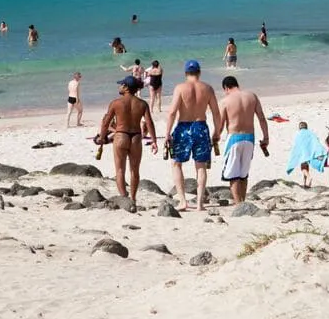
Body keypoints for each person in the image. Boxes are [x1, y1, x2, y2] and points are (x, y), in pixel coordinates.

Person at [164, 59, 222, 212]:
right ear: (199, 72)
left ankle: (183, 201)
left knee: (177, 163)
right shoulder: (207, 89)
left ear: (185, 73)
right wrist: (217, 131)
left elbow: (172, 112)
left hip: (183, 127)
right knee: (201, 166)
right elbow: (216, 113)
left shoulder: (180, 88)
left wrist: (167, 133)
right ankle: (200, 204)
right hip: (200, 127)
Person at [97, 75, 157, 200]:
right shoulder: (142, 104)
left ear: (126, 87)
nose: (119, 86)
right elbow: (149, 122)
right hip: (135, 137)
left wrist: (102, 138)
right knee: (134, 171)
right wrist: (154, 141)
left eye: (121, 84)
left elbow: (105, 122)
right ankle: (133, 199)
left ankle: (124, 197)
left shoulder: (116, 103)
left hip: (120, 136)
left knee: (120, 170)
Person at [215, 75, 269, 204]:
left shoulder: (225, 101)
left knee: (233, 174)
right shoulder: (252, 96)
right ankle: (243, 202)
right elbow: (261, 118)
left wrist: (215, 138)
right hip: (250, 138)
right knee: (244, 173)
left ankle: (238, 204)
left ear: (226, 88)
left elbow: (221, 125)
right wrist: (266, 137)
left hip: (234, 138)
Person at [286, 121, 326, 187]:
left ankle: (309, 178)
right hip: (309, 153)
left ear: (300, 127)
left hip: (303, 154)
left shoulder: (299, 134)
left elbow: (297, 144)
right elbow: (315, 140)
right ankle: (305, 183)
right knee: (306, 167)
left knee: (303, 168)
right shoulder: (310, 133)